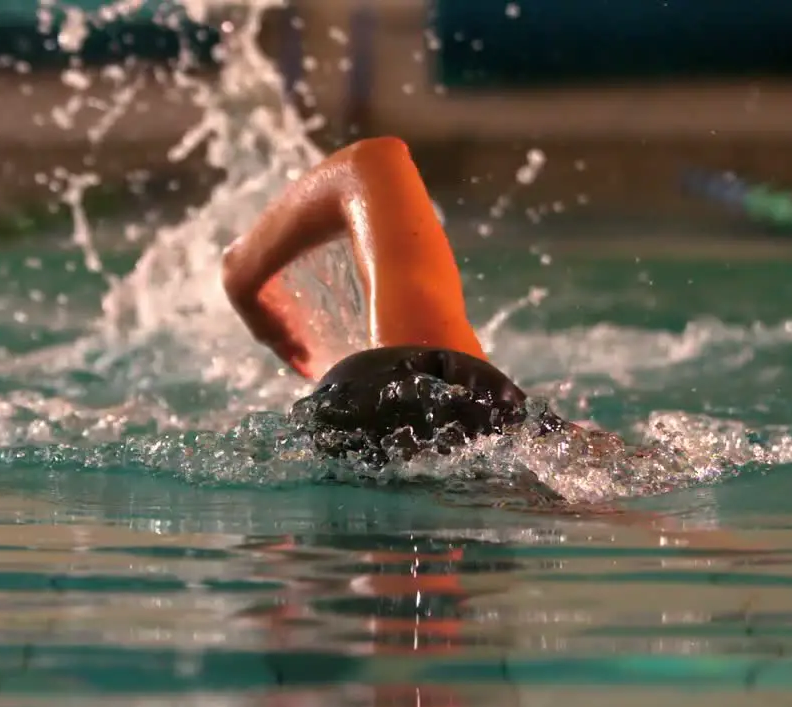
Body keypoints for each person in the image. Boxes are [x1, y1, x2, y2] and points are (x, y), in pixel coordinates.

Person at [221, 136, 624, 478]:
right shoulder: (559, 467)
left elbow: (370, 161)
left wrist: (248, 288)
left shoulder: (469, 409)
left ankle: (242, 268)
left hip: (393, 389)